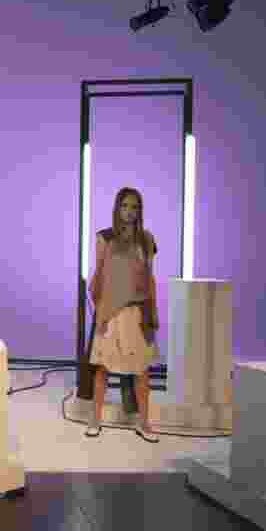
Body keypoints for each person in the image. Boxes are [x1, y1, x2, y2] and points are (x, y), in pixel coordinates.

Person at [86, 187, 160, 442]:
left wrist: (152, 312)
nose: (129, 211)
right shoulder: (105, 237)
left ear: (140, 211)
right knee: (103, 368)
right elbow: (99, 276)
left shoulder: (146, 240)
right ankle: (94, 419)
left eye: (135, 207)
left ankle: (144, 423)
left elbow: (150, 278)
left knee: (141, 371)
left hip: (137, 311)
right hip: (110, 312)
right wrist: (100, 310)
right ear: (117, 208)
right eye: (125, 206)